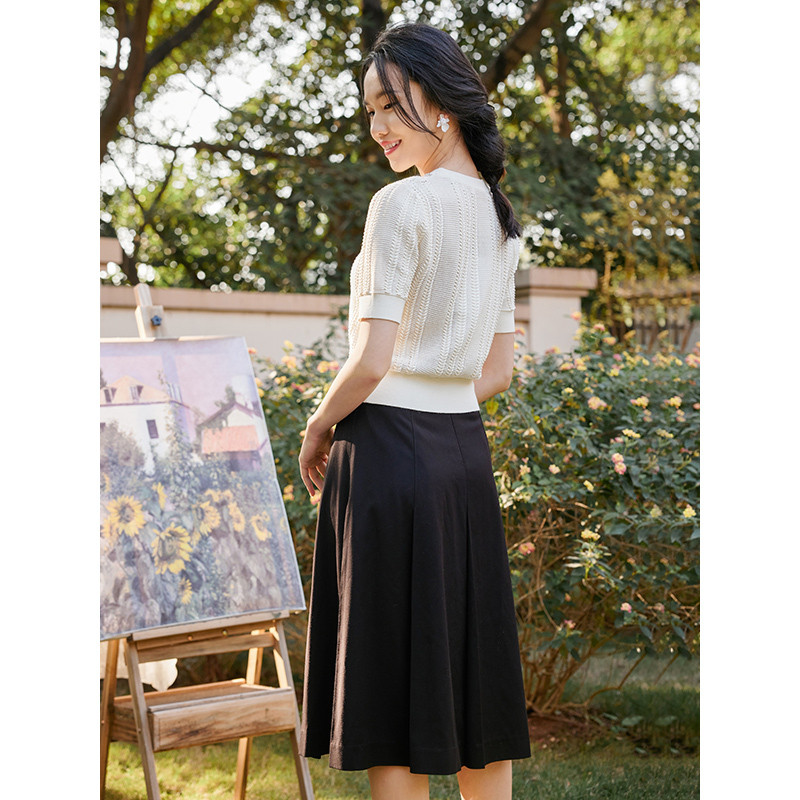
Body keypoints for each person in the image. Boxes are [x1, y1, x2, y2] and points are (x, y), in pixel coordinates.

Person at [297, 21, 531, 800]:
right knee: (472, 675)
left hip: (386, 458)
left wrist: (319, 425)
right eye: (369, 111)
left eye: (389, 106)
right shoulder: (500, 218)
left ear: (441, 102)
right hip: (463, 457)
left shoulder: (401, 205)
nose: (378, 127)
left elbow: (371, 360)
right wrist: (439, 406)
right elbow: (497, 371)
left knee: (390, 686)